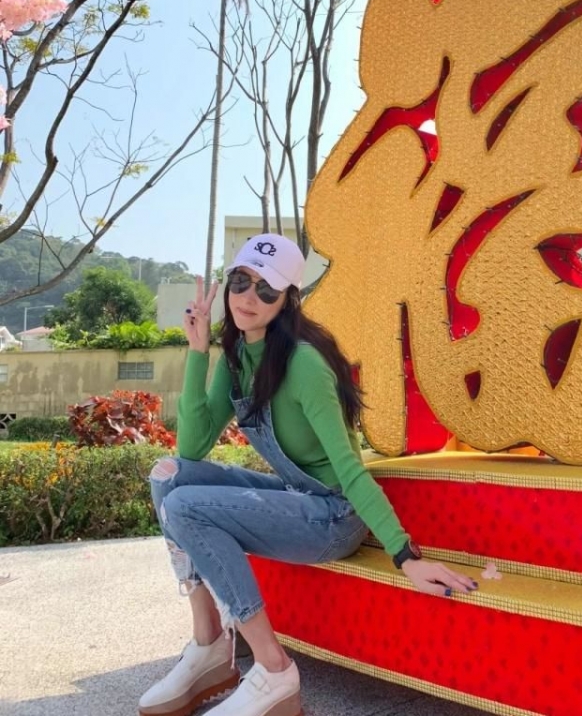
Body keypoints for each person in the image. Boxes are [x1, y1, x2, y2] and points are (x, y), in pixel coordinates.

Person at [140, 233, 478, 716]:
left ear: (288, 300)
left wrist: (405, 555)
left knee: (185, 506)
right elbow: (191, 448)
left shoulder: (303, 364)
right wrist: (198, 352)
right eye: (241, 282)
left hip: (333, 515)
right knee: (169, 476)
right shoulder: (237, 356)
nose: (249, 298)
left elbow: (349, 468)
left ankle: (274, 669)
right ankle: (209, 641)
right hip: (296, 496)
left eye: (267, 290)